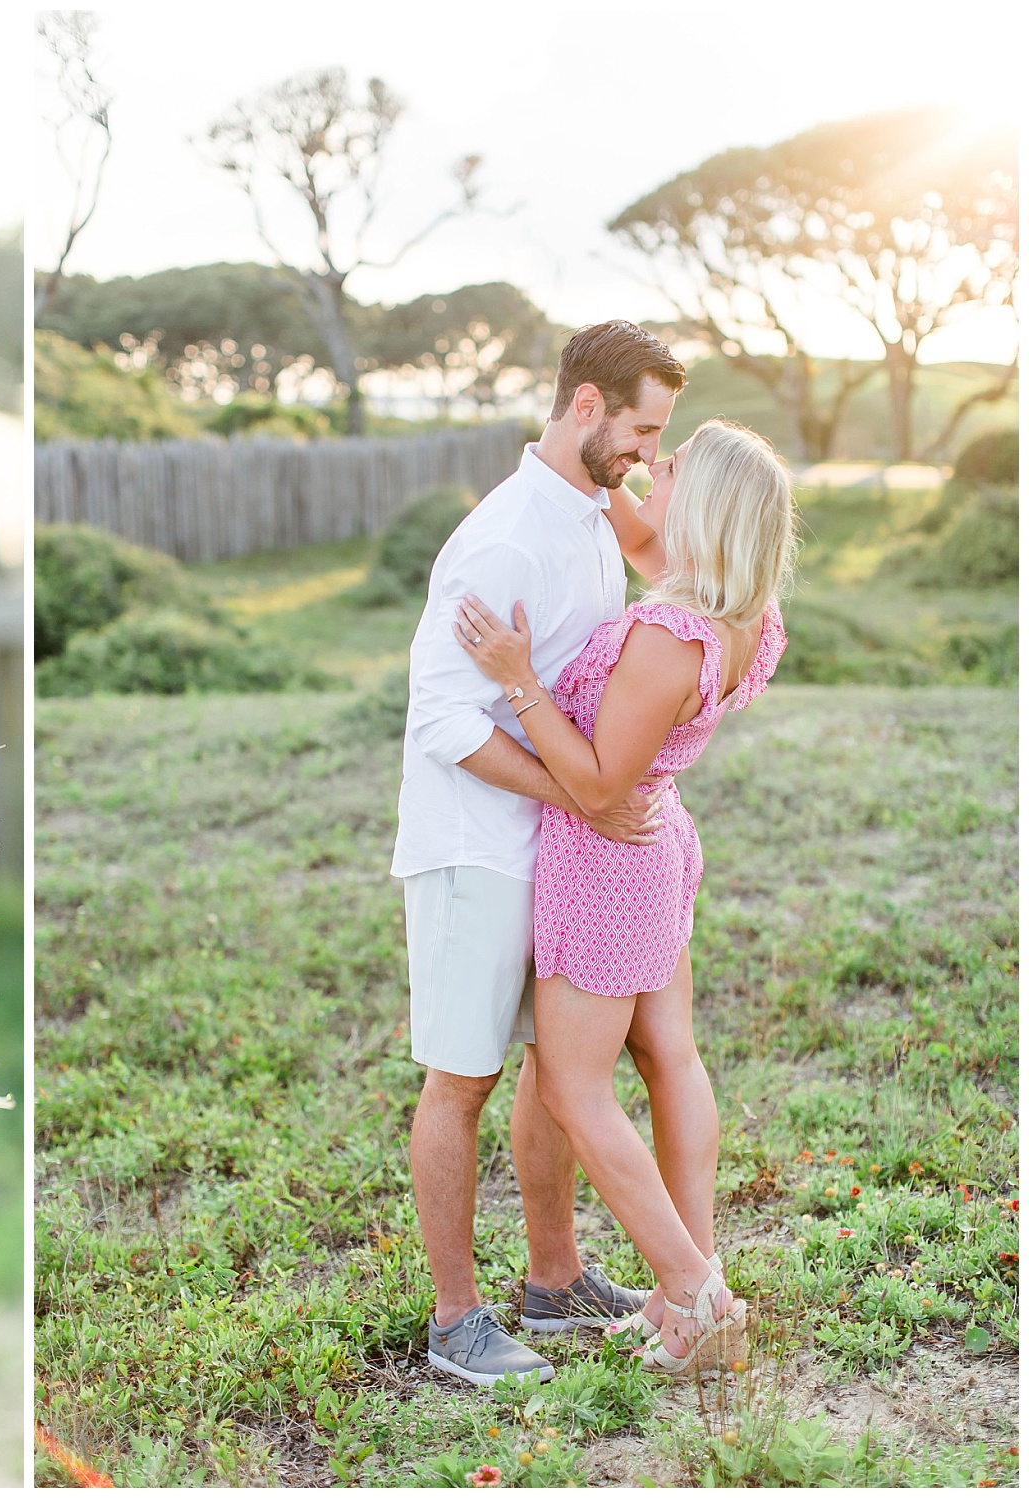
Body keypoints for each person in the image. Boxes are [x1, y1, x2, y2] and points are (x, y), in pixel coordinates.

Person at [453, 417, 793, 1376]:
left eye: (671, 466)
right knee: (669, 1057)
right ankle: (681, 1288)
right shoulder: (744, 618)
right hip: (659, 847)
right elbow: (640, 529)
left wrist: (521, 683)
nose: (654, 470)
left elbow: (600, 787)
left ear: (710, 503)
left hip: (608, 861)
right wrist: (579, 454)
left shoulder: (664, 636)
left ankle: (696, 1296)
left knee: (573, 1085)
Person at [389, 321, 689, 1387]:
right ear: (582, 408)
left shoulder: (592, 512)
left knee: (553, 1068)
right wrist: (578, 790)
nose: (647, 452)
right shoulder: (506, 537)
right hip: (474, 846)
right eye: (639, 429)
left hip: (555, 840)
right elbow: (439, 720)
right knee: (460, 1078)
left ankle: (553, 1283)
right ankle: (455, 1319)